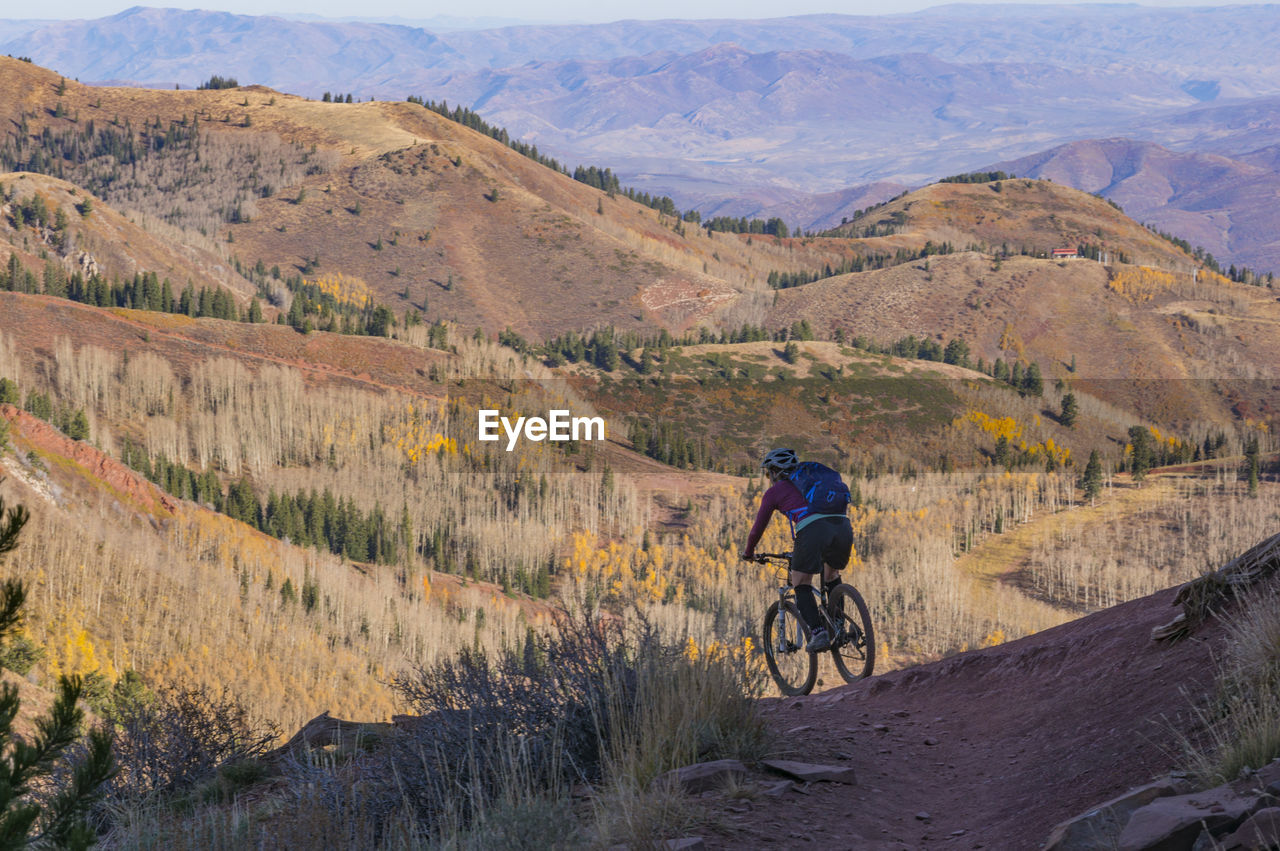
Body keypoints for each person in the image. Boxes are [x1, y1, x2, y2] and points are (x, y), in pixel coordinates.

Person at [741, 448, 853, 652]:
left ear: (775, 471)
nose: (768, 478)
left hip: (813, 530)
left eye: (768, 473)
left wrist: (749, 552)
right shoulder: (814, 482)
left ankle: (819, 633)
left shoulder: (774, 492)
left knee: (800, 581)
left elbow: (757, 529)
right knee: (831, 574)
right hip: (843, 525)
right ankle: (839, 627)